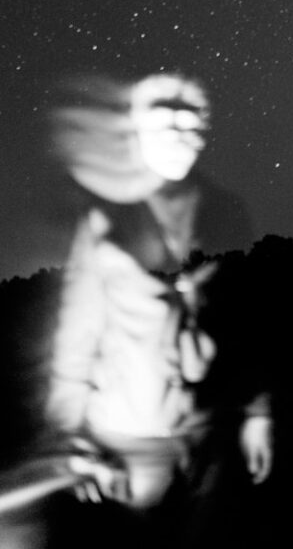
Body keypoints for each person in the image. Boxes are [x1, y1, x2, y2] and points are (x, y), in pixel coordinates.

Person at [40, 72, 273, 548]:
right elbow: (77, 330)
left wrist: (258, 414)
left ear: (205, 129)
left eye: (189, 120)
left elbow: (249, 319)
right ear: (137, 128)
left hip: (209, 428)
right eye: (163, 118)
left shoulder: (228, 212)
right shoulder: (105, 215)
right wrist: (66, 434)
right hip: (129, 434)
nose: (177, 132)